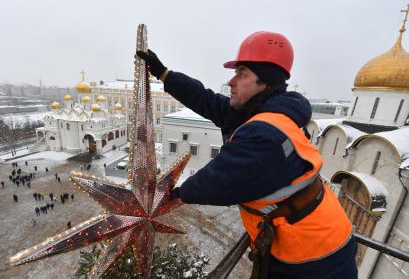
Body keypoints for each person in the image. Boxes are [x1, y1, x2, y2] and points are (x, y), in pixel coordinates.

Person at [137, 31, 357, 278]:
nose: (232, 81)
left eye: (242, 74)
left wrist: (168, 196)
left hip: (312, 258)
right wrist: (164, 74)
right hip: (312, 235)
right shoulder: (267, 111)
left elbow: (217, 181)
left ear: (264, 82)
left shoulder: (265, 134)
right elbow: (206, 100)